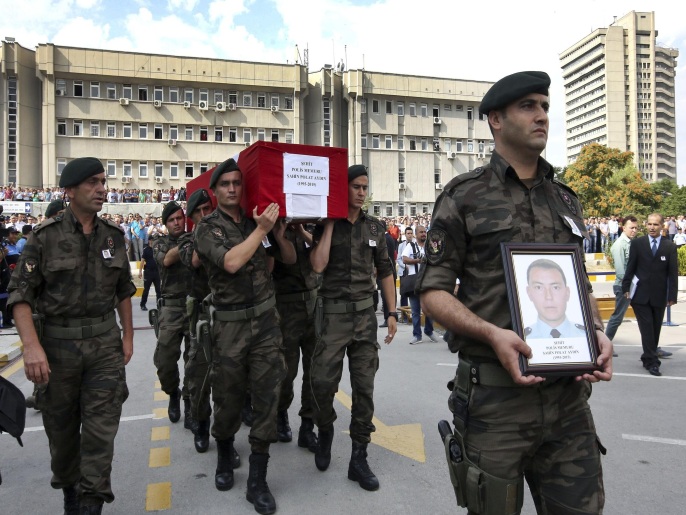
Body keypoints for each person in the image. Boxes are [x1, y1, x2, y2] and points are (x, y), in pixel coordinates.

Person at [417, 71, 612, 515]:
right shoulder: (463, 196)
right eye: (528, 106)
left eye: (545, 106)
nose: (542, 115)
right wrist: (491, 333)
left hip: (568, 401)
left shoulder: (566, 199)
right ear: (496, 120)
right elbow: (432, 291)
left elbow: (575, 283)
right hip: (494, 402)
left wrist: (595, 333)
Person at [8, 157, 135, 514]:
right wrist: (31, 348)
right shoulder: (44, 236)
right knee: (62, 438)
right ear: (70, 190)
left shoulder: (113, 235)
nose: (102, 189)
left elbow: (124, 289)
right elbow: (20, 296)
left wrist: (127, 337)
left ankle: (91, 503)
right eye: (93, 182)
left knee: (100, 434)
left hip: (104, 349)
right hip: (57, 352)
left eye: (103, 181)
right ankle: (70, 495)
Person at [194, 158, 294, 513]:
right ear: (215, 190)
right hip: (230, 327)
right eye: (225, 184)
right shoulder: (207, 228)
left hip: (266, 323)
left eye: (237, 182)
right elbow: (232, 262)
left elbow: (278, 262)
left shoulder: (256, 223)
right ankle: (224, 451)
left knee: (268, 396)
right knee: (228, 398)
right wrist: (260, 231)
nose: (233, 189)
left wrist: (276, 235)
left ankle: (258, 479)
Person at [309, 164, 397, 491]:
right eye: (355, 187)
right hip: (332, 319)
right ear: (343, 188)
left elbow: (385, 271)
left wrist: (390, 311)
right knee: (320, 383)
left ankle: (359, 458)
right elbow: (317, 265)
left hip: (364, 320)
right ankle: (326, 428)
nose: (361, 192)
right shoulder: (324, 225)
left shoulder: (376, 228)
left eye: (364, 187)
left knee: (364, 389)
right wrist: (331, 223)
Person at [177, 189, 235, 459]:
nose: (204, 214)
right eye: (199, 211)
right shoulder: (188, 240)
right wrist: (206, 231)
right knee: (199, 375)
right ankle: (201, 423)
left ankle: (227, 436)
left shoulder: (225, 234)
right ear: (191, 217)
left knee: (227, 380)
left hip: (226, 315)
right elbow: (194, 260)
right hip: (201, 318)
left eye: (207, 209)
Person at [272, 223, 319, 451]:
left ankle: (307, 426)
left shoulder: (308, 226)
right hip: (286, 307)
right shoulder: (273, 228)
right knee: (286, 371)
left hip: (312, 305)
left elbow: (321, 252)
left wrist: (301, 230)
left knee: (313, 371)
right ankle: (281, 413)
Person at [152, 201, 194, 429]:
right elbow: (167, 259)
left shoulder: (195, 238)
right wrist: (191, 239)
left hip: (194, 306)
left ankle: (189, 401)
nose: (177, 223)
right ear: (166, 224)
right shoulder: (159, 242)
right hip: (170, 309)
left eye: (180, 218)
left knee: (193, 361)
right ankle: (173, 393)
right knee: (165, 361)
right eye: (172, 220)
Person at [622, 213, 678, 377]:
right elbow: (630, 267)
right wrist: (626, 286)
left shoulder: (669, 247)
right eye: (649, 224)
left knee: (655, 329)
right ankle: (653, 363)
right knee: (646, 329)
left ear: (662, 227)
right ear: (646, 225)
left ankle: (647, 356)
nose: (652, 227)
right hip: (640, 295)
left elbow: (672, 274)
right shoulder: (638, 244)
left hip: (659, 296)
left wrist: (672, 295)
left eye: (656, 224)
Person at [523, 259, 586, 339]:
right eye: (539, 287)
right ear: (529, 293)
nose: (549, 297)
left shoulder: (586, 336)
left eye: (555, 287)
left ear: (567, 292)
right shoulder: (523, 338)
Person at [605, 216, 638, 351]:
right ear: (623, 228)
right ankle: (603, 347)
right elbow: (620, 271)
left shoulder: (632, 243)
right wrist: (627, 288)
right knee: (617, 317)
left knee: (645, 317)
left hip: (635, 285)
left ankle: (652, 347)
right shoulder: (619, 245)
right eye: (631, 228)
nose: (634, 230)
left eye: (636, 228)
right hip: (624, 286)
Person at [402, 225, 439, 344]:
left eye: (425, 232)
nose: (424, 234)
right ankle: (417, 335)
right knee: (415, 310)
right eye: (421, 232)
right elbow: (404, 259)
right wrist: (418, 261)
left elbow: (438, 257)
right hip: (415, 282)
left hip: (428, 281)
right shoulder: (411, 245)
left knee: (430, 309)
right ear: (416, 234)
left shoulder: (431, 245)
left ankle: (429, 331)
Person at [138, 239, 161, 311]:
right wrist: (140, 271)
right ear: (149, 241)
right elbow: (142, 261)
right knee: (146, 289)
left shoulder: (158, 249)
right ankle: (143, 304)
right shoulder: (146, 250)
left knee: (158, 290)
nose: (153, 241)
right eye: (152, 240)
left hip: (157, 272)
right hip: (148, 272)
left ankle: (159, 305)